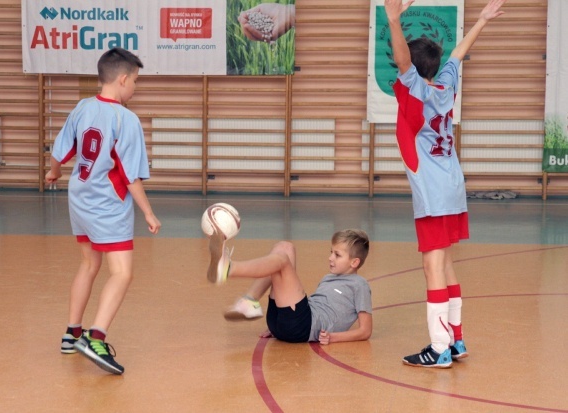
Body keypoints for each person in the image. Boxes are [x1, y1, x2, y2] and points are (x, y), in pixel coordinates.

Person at [385, 0, 507, 368]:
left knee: (432, 266)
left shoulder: (414, 92)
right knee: (446, 263)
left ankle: (438, 348)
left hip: (434, 194)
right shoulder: (445, 87)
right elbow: (457, 52)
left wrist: (393, 19)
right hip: (453, 188)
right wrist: (482, 21)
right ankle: (456, 339)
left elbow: (404, 62)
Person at [45, 47, 161, 375]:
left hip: (79, 198)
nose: (135, 87)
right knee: (122, 272)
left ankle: (72, 332)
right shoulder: (126, 119)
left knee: (89, 263)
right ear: (123, 79)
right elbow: (130, 175)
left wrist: (54, 171)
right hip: (108, 204)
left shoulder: (82, 107)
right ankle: (95, 338)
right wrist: (149, 214)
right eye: (135, 81)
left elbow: (60, 148)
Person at [208, 229, 372, 345]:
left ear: (354, 262)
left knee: (282, 260)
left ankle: (229, 268)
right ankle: (249, 301)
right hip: (284, 322)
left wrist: (333, 337)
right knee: (284, 247)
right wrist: (279, 324)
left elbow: (365, 331)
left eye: (337, 255)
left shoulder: (360, 285)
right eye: (331, 252)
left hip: (303, 326)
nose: (330, 258)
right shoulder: (328, 277)